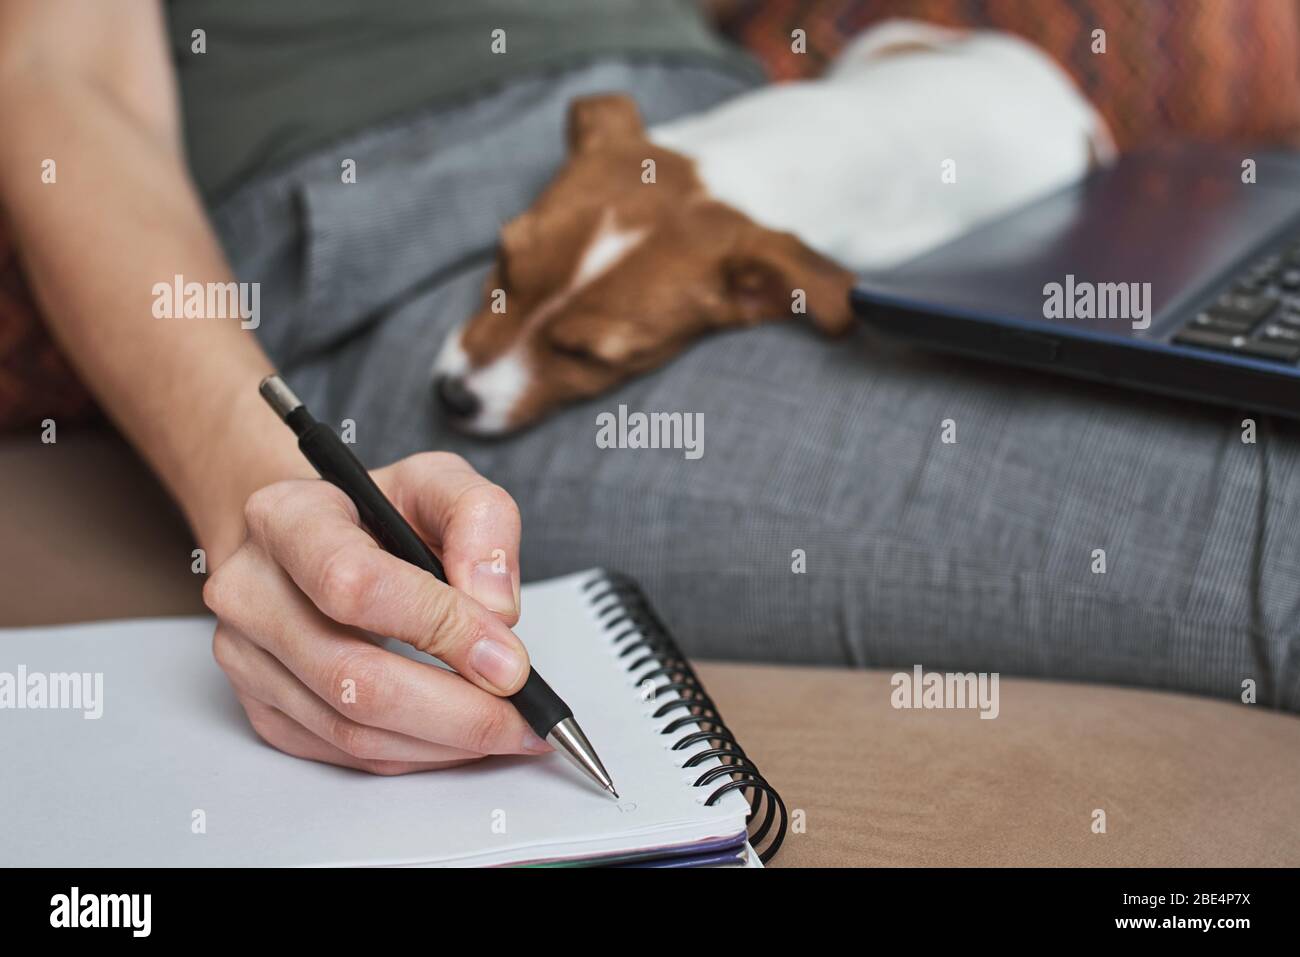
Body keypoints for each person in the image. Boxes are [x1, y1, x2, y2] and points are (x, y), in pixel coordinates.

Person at [2, 0, 1294, 788]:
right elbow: (53, 71)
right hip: (397, 235)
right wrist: (262, 479)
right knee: (1261, 531)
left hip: (738, 154)